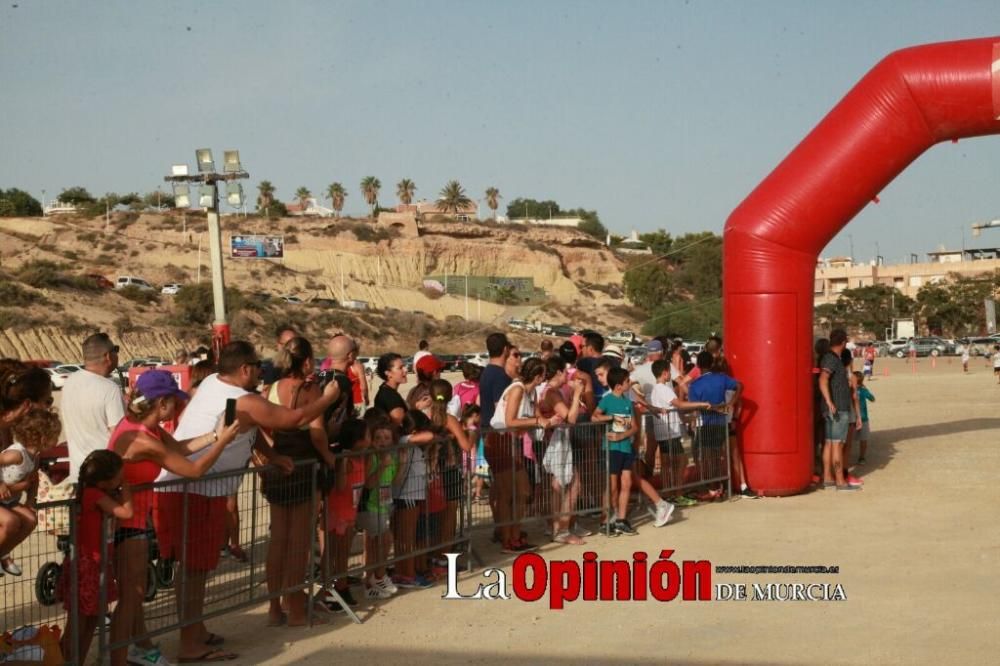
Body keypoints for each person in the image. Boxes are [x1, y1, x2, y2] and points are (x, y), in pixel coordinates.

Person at [155, 341, 343, 662]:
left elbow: (247, 430)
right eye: (256, 366)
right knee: (195, 571)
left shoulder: (213, 384)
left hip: (193, 488)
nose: (260, 371)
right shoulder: (242, 399)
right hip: (197, 489)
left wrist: (272, 454)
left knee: (197, 569)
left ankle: (196, 630)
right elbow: (293, 418)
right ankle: (190, 643)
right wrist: (328, 399)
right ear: (244, 369)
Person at [108, 370, 239, 666]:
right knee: (131, 598)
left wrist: (216, 434)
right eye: (174, 402)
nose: (178, 407)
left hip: (131, 521)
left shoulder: (139, 426)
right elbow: (193, 470)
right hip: (128, 523)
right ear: (162, 404)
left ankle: (142, 648)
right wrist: (224, 442)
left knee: (134, 595)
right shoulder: (144, 440)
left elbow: (179, 449)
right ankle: (119, 658)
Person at [261, 337, 341, 628]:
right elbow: (317, 432)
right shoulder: (310, 389)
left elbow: (265, 426)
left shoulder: (270, 388)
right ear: (306, 361)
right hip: (303, 467)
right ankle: (295, 609)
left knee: (278, 540)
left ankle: (274, 608)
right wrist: (329, 457)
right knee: (298, 543)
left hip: (277, 465)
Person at [59, 450, 133, 665]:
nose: (122, 480)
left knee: (92, 618)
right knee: (79, 621)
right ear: (105, 481)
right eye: (119, 476)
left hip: (97, 563)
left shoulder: (96, 493)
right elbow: (126, 513)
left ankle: (77, 661)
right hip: (88, 565)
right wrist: (126, 491)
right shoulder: (94, 495)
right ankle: (65, 661)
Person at [490, 357, 548, 553]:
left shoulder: (528, 392)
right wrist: (536, 421)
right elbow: (510, 421)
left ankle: (514, 536)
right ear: (538, 376)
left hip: (511, 442)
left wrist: (540, 420)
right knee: (510, 494)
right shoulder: (517, 390)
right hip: (500, 440)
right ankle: (508, 539)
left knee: (521, 492)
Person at [0, 408, 59, 577]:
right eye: (54, 436)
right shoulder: (16, 454)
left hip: (9, 500)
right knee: (11, 522)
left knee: (30, 519)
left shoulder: (35, 456)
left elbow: (34, 480)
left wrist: (30, 503)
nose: (56, 440)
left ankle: (4, 552)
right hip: (3, 496)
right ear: (42, 437)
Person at [61, 333, 126, 483]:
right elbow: (119, 436)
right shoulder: (109, 389)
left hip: (78, 475)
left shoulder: (70, 382)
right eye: (115, 349)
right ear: (108, 356)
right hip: (106, 477)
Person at [537, 357, 587, 544]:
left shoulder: (549, 392)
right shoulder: (552, 393)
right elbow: (570, 418)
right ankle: (561, 529)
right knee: (569, 484)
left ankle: (558, 527)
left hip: (555, 444)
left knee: (562, 484)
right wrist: (576, 395)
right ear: (558, 372)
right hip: (555, 445)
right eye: (565, 371)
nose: (568, 375)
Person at [321, 418, 368, 612]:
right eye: (367, 436)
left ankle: (341, 585)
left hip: (350, 512)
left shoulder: (361, 458)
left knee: (343, 554)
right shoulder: (345, 460)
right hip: (336, 513)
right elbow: (340, 486)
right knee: (332, 553)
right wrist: (342, 465)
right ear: (356, 439)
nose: (369, 440)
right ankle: (327, 591)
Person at [649, 359, 707, 507]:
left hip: (664, 431)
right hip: (670, 433)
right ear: (665, 373)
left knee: (667, 465)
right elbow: (679, 404)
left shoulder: (656, 390)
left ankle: (669, 493)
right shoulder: (664, 388)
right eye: (670, 371)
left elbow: (673, 409)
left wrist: (687, 418)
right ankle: (677, 493)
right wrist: (700, 404)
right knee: (682, 461)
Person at [688, 351, 746, 498]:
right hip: (721, 423)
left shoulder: (694, 385)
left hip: (705, 424)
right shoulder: (722, 378)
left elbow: (694, 408)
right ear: (712, 364)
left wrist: (691, 423)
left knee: (707, 457)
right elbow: (740, 385)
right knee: (722, 455)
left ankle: (713, 489)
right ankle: (722, 486)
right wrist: (730, 404)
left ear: (698, 366)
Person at [358, 417, 399, 600]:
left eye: (386, 438)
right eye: (378, 438)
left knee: (378, 544)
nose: (382, 442)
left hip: (384, 505)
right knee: (384, 540)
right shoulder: (372, 457)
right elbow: (368, 483)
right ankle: (378, 577)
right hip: (370, 506)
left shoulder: (392, 458)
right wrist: (382, 465)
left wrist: (400, 463)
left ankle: (373, 579)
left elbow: (394, 482)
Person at [818, 330, 858, 491]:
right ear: (843, 342)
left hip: (833, 408)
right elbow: (823, 379)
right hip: (838, 408)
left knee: (829, 443)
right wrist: (829, 401)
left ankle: (828, 477)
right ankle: (840, 480)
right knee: (837, 444)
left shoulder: (832, 358)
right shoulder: (832, 359)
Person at [853, 371, 875, 465]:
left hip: (851, 418)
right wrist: (866, 388)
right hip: (863, 417)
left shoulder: (849, 390)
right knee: (863, 439)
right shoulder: (862, 390)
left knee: (847, 440)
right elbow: (872, 398)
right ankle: (861, 458)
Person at [576, 333, 606, 400]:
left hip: (589, 403)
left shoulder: (583, 363)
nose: (581, 349)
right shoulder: (611, 363)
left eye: (582, 346)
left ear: (590, 349)